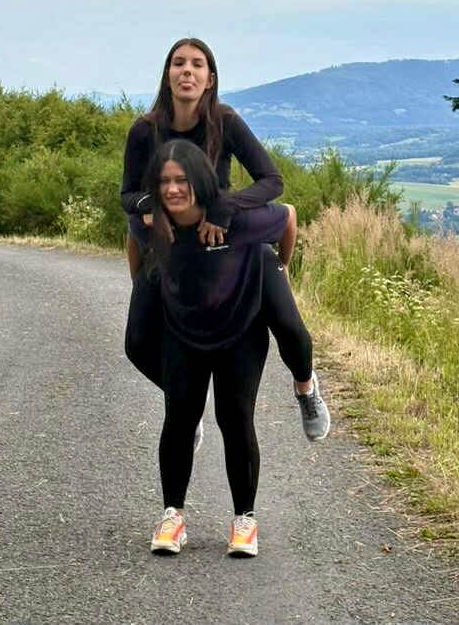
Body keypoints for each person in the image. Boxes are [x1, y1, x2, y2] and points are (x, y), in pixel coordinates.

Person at [122, 38, 329, 448]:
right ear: (167, 74)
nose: (187, 70)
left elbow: (272, 181)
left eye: (197, 64)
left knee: (292, 331)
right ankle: (185, 402)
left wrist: (224, 207)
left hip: (226, 234)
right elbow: (128, 194)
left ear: (210, 79)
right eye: (179, 63)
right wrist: (151, 205)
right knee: (137, 345)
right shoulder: (145, 130)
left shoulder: (225, 121)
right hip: (171, 244)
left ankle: (306, 388)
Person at [137, 140, 307, 556]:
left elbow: (287, 216)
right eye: (164, 181)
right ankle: (173, 516)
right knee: (179, 415)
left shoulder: (240, 220)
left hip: (241, 327)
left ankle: (244, 520)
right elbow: (133, 239)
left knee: (235, 417)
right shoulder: (152, 224)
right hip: (184, 328)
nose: (172, 189)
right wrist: (144, 280)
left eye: (181, 180)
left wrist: (282, 268)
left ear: (199, 181)